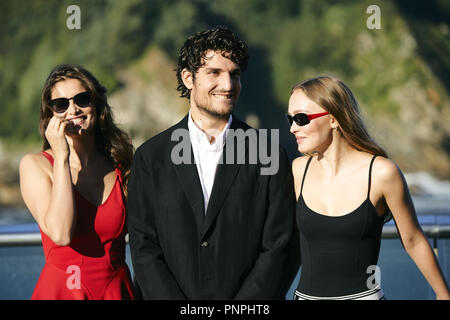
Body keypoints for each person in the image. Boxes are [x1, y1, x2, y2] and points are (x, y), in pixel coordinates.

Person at [127, 26, 299, 299]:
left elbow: (280, 245)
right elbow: (144, 246)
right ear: (188, 78)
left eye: (234, 74)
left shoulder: (268, 152)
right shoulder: (150, 158)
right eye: (214, 72)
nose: (228, 85)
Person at [288, 75, 450, 300]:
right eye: (291, 120)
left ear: (333, 119)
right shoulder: (298, 171)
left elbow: (413, 240)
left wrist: (445, 297)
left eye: (301, 118)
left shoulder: (382, 173)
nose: (293, 128)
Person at [19, 64, 135, 300]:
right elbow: (61, 234)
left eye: (82, 99)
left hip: (115, 291)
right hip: (62, 292)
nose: (73, 109)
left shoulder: (122, 166)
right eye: (61, 104)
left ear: (96, 104)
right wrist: (62, 157)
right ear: (50, 114)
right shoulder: (36, 165)